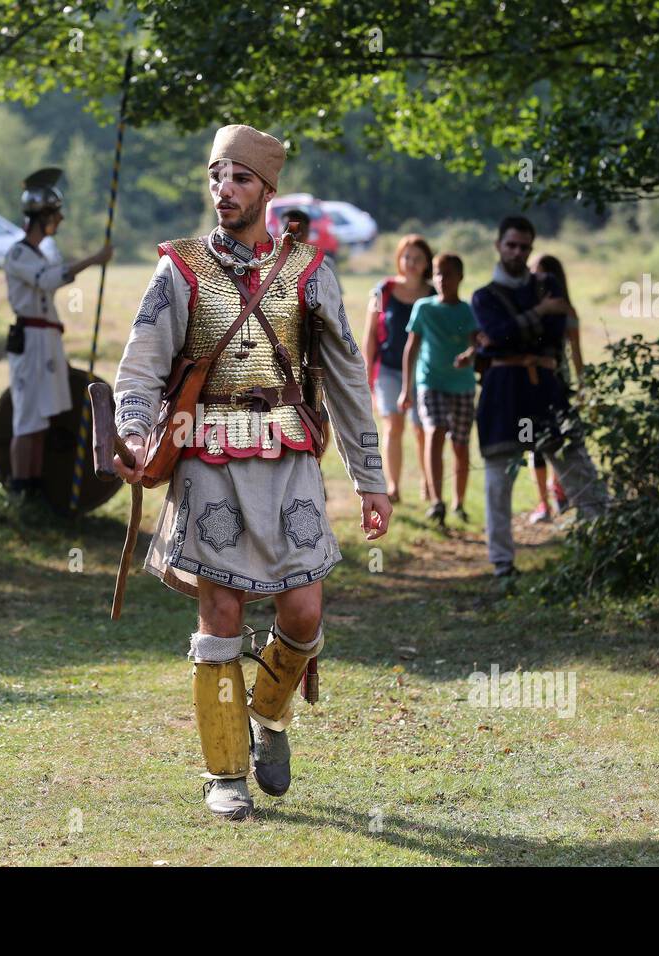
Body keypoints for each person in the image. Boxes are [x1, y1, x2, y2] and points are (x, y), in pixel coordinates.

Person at [110, 124, 391, 820]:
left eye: (239, 178)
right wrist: (134, 429)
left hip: (289, 453)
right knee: (222, 614)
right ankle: (224, 772)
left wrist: (371, 478)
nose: (224, 190)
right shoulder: (179, 268)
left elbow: (348, 377)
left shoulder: (308, 269)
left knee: (304, 612)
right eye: (216, 176)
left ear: (267, 190)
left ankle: (268, 713)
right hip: (206, 450)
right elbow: (140, 364)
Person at [471, 216, 607, 577]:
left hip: (545, 388)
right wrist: (537, 315)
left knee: (577, 467)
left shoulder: (548, 285)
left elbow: (551, 330)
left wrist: (516, 330)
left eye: (524, 246)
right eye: (511, 245)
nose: (517, 252)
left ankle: (605, 547)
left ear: (531, 248)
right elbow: (497, 332)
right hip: (502, 394)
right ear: (499, 246)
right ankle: (502, 564)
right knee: (498, 481)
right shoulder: (484, 296)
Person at [3, 167, 112, 499]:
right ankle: (19, 489)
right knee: (27, 419)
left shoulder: (41, 253)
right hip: (31, 341)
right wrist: (93, 260)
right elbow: (48, 279)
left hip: (47, 341)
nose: (60, 220)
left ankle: (35, 488)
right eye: (55, 214)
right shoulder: (19, 253)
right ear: (43, 217)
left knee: (43, 418)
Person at [399, 252, 478, 526]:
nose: (442, 279)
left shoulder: (467, 310)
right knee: (434, 431)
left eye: (448, 274)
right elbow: (411, 348)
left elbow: (475, 343)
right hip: (430, 383)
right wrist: (406, 389)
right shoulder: (424, 308)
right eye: (437, 273)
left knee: (460, 445)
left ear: (460, 277)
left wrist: (469, 355)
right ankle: (437, 502)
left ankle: (459, 502)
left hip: (462, 385)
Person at [362, 235, 433, 503]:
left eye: (418, 258)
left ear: (427, 263)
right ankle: (393, 486)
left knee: (422, 429)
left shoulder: (434, 294)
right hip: (388, 369)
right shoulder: (383, 290)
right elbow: (370, 334)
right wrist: (367, 371)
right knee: (393, 426)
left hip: (423, 372)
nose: (411, 263)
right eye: (407, 257)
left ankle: (428, 482)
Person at [526, 253, 583, 523]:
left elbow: (576, 352)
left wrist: (581, 386)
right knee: (533, 443)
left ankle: (556, 492)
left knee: (556, 440)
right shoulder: (527, 311)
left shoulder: (566, 312)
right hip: (530, 385)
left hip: (557, 384)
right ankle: (544, 501)